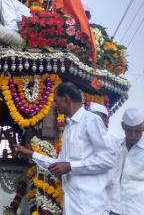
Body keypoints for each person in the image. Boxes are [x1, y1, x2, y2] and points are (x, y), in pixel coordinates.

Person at [15, 82, 117, 215]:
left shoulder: (91, 120)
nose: (55, 105)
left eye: (56, 100)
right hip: (72, 206)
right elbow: (59, 164)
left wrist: (71, 166)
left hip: (91, 208)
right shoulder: (69, 128)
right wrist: (32, 154)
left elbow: (108, 159)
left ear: (66, 99)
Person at [88, 102, 122, 215]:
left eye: (97, 118)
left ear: (106, 121)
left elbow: (109, 177)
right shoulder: (87, 140)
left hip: (110, 206)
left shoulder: (112, 142)